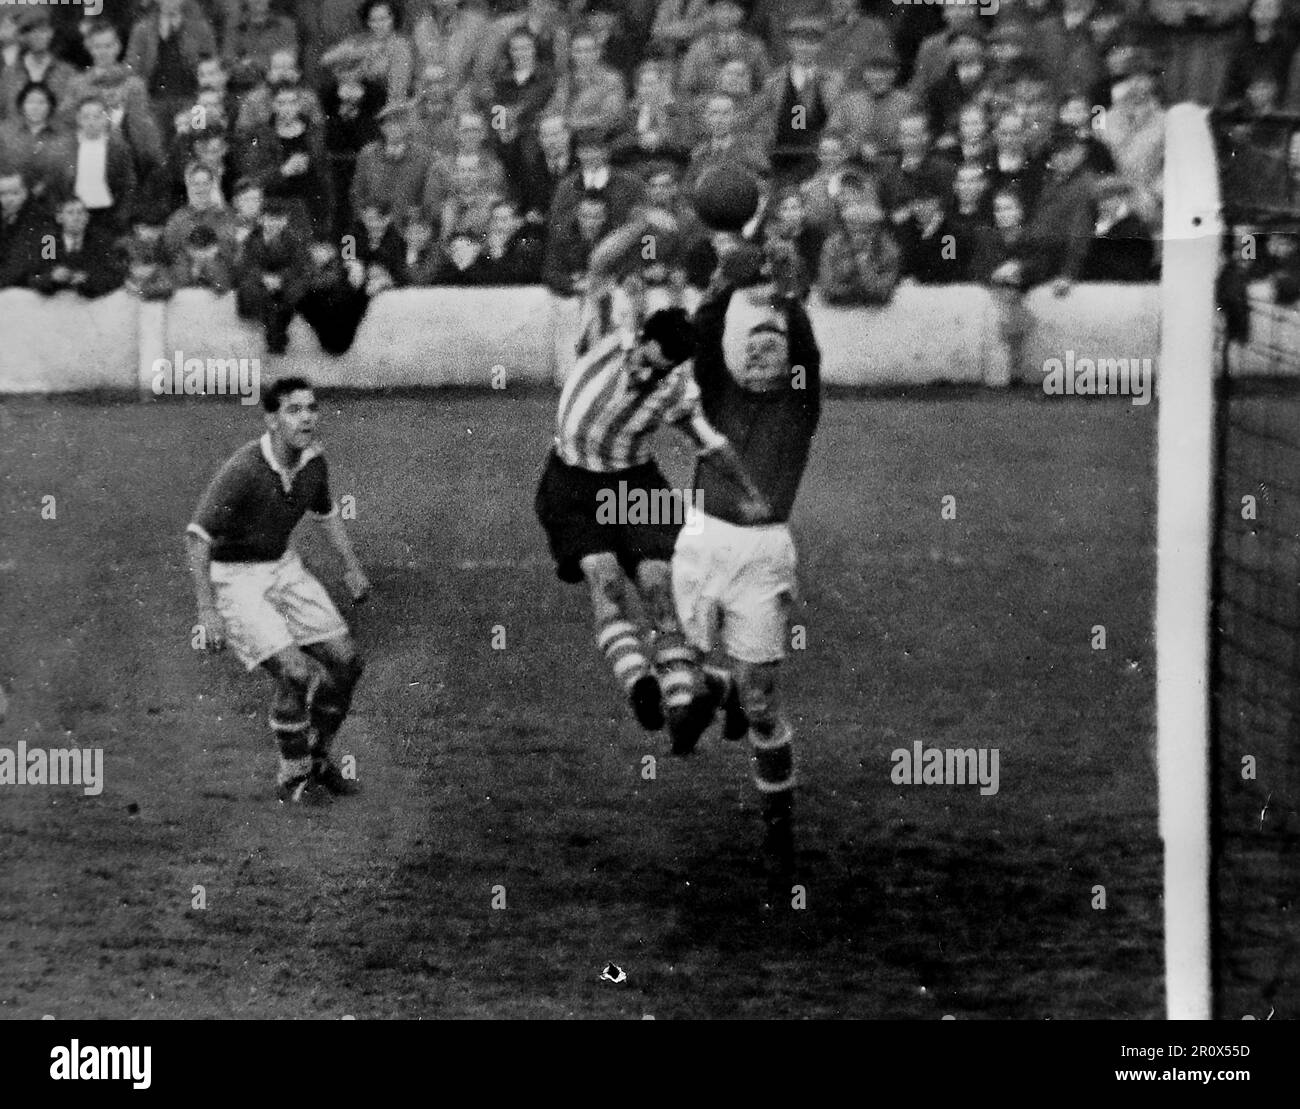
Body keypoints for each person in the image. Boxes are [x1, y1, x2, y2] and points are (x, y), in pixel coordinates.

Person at [535, 207, 770, 741]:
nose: (647, 370)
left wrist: (751, 497)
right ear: (640, 339)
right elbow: (598, 265)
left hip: (636, 484)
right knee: (606, 577)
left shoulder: (674, 389)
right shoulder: (603, 335)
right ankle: (646, 684)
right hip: (571, 479)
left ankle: (693, 699)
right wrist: (642, 227)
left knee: (661, 586)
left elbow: (714, 446)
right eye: (646, 358)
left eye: (660, 367)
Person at [673, 237, 821, 895]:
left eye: (774, 343)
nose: (763, 350)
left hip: (762, 557)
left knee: (761, 702)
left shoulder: (799, 405)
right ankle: (712, 682)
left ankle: (779, 831)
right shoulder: (716, 394)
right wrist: (722, 283)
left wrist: (789, 301)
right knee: (690, 683)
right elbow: (705, 336)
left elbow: (808, 354)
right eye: (752, 343)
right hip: (702, 544)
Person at [186, 376, 370, 805]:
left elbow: (326, 514)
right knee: (295, 671)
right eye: (294, 409)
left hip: (283, 568)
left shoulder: (314, 462)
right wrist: (207, 611)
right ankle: (293, 777)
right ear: (271, 420)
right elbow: (197, 538)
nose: (307, 417)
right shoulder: (245, 470)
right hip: (234, 578)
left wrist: (352, 569)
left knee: (346, 662)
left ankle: (319, 760)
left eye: (311, 408)